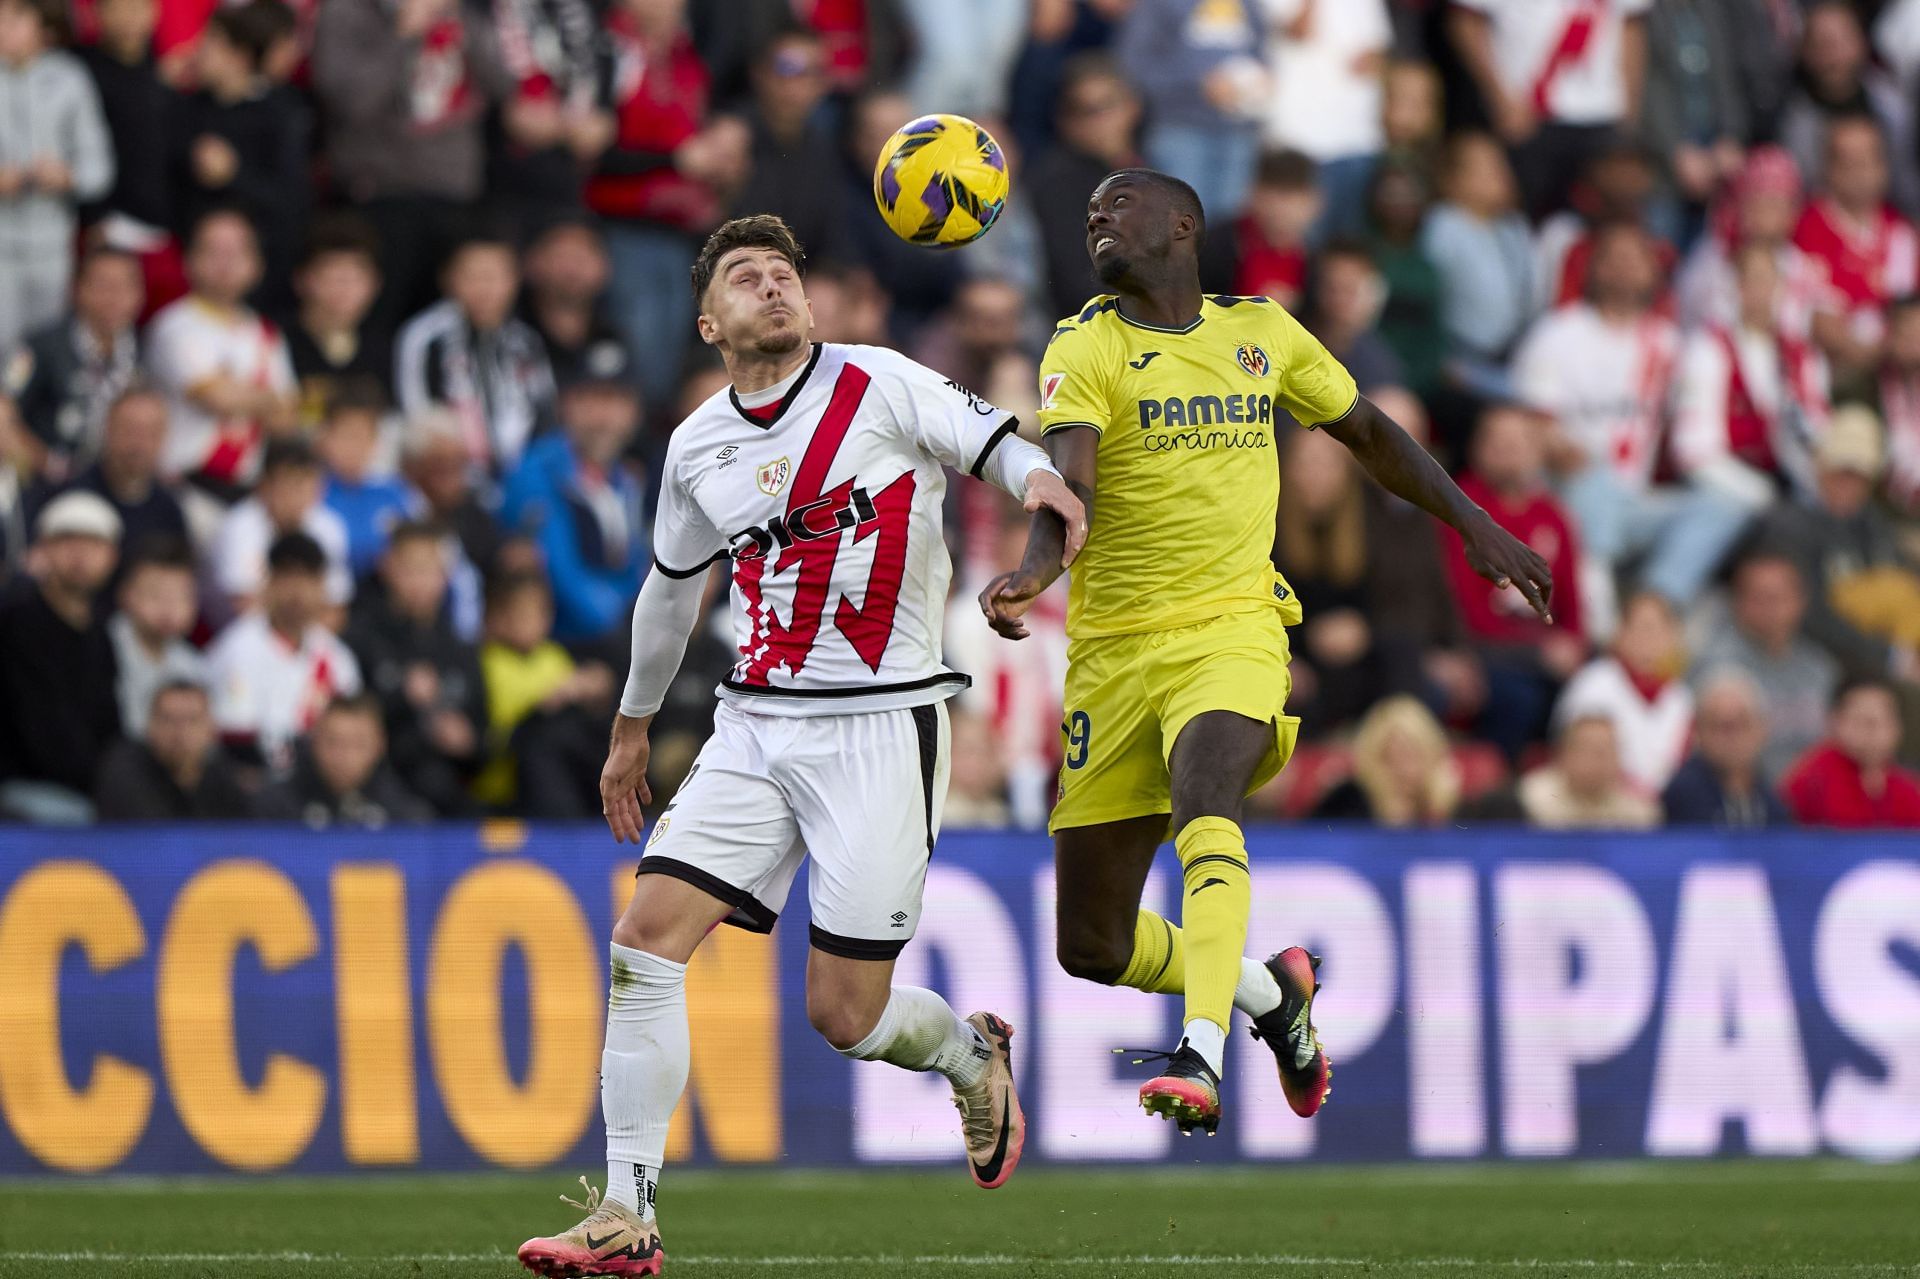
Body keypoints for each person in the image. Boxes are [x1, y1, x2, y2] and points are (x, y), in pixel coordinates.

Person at [515, 214, 1086, 1274]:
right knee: (644, 942)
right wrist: (631, 728)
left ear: (811, 302)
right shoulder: (696, 444)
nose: (773, 285)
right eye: (746, 276)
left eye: (785, 272)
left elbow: (995, 444)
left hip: (883, 721)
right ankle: (626, 1212)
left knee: (845, 1012)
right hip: (756, 722)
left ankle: (972, 1053)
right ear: (709, 320)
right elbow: (668, 594)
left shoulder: (879, 382)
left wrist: (1040, 487)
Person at [982, 167, 1551, 1138]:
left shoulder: (1263, 333)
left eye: (1119, 206)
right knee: (1091, 941)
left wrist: (1473, 521)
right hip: (1114, 654)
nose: (1098, 222)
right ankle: (1269, 993)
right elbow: (1065, 484)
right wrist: (1035, 573)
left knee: (1209, 793)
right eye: (1089, 215)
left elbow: (1368, 431)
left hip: (1233, 626)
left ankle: (1199, 1049)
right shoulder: (1086, 345)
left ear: (1183, 224)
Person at [1512, 221, 1746, 634]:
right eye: (1613, 258)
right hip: (1563, 495)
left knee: (1726, 505)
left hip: (1633, 503)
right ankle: (1596, 607)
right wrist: (1561, 446)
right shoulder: (1559, 333)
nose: (1624, 268)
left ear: (1654, 271)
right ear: (1594, 268)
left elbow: (1697, 422)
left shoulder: (1668, 343)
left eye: (1636, 259)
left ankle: (1652, 606)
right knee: (1592, 472)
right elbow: (1529, 423)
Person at [1440, 403, 1587, 761]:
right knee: (1519, 697)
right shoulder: (1457, 508)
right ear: (1477, 448)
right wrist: (1539, 653)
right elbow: (1466, 611)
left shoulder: (1553, 515)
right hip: (1485, 651)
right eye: (1498, 441)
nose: (1509, 451)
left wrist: (1574, 646)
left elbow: (1573, 607)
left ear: (1538, 451)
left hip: (1545, 650)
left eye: (1519, 441)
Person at [142, 208, 300, 502]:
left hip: (245, 489)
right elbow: (216, 400)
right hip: (180, 487)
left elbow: (288, 420)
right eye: (213, 251)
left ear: (257, 265)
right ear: (189, 260)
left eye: (237, 252)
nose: (225, 263)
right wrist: (266, 398)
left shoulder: (267, 333)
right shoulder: (174, 325)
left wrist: (237, 392)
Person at [1448, 0, 1652, 222]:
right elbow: (1465, 20)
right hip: (1527, 117)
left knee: (1610, 225)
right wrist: (1499, 98)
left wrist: (1629, 107)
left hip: (1603, 116)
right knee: (1518, 220)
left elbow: (1631, 25)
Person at [170, 0, 311, 316]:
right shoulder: (188, 108)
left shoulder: (281, 114)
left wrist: (233, 175)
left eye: (210, 45)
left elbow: (292, 200)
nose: (198, 52)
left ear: (240, 56)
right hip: (194, 275)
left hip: (265, 278)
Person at [1671, 241, 1831, 512]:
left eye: (1769, 279)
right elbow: (1694, 452)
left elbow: (1818, 433)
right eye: (1751, 278)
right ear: (1734, 286)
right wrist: (1764, 498)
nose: (1760, 289)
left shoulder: (1804, 356)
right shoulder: (1707, 349)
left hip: (1792, 491)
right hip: (1726, 497)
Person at [0, 0, 115, 355]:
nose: (4, 26)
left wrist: (67, 177)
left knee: (43, 352)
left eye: (16, 15)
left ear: (43, 24)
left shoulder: (69, 78)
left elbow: (100, 170)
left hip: (52, 244)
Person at [394, 227, 557, 476]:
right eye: (472, 276)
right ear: (447, 278)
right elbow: (416, 413)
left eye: (495, 276)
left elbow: (545, 411)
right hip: (450, 476)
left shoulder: (526, 342)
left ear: (514, 280)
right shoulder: (424, 337)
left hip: (520, 479)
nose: (485, 288)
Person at [346, 520, 483, 816]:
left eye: (429, 569)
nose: (419, 580)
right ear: (387, 567)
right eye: (410, 568)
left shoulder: (460, 648)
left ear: (445, 576)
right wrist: (401, 698)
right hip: (383, 785)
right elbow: (347, 716)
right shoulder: (361, 638)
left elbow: (482, 732)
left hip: (453, 788)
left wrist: (467, 741)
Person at [499, 373, 647, 645]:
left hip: (619, 637)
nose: (603, 418)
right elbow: (560, 575)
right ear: (565, 405)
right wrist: (631, 624)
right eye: (590, 399)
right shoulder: (536, 472)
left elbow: (634, 569)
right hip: (553, 646)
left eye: (615, 401)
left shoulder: (627, 481)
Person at [0, 490, 121, 822]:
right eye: (67, 541)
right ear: (43, 550)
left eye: (93, 544)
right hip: (24, 787)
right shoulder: (16, 622)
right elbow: (38, 731)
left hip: (87, 788)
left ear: (112, 556)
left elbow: (109, 724)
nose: (80, 555)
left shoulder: (102, 633)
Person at [205, 531, 363, 771]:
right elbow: (235, 742)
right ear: (267, 582)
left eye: (308, 578)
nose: (297, 591)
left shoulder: (338, 657)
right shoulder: (237, 649)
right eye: (287, 577)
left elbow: (352, 734)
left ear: (322, 586)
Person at [1692, 550, 1842, 784]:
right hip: (1750, 802)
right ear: (1737, 603)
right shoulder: (1716, 665)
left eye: (1777, 597)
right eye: (1758, 598)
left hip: (1815, 800)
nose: (1769, 608)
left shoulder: (1819, 666)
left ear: (1800, 601)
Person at [4, 246, 145, 483]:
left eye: (124, 286)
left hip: (114, 483)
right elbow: (3, 408)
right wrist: (44, 463)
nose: (114, 297)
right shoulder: (39, 346)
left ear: (140, 294)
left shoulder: (140, 348)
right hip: (46, 480)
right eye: (103, 285)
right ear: (77, 289)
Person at [1795, 115, 1919, 373]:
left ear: (1883, 166)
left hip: (1899, 372)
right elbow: (1820, 324)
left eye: (1868, 160)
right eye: (1848, 162)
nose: (1860, 172)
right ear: (1828, 168)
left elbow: (1909, 319)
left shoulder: (1902, 233)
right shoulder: (1805, 229)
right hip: (1829, 375)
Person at [1257, 0, 1390, 240]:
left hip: (1355, 138)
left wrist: (1369, 61)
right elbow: (1299, 31)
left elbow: (1378, 50)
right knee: (1301, 244)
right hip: (1296, 139)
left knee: (1347, 243)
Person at [1029, 54, 1142, 324]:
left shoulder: (1149, 171)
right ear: (1065, 121)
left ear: (1132, 107)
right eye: (1085, 111)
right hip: (1086, 327)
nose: (1098, 121)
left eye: (1107, 106)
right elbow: (1073, 282)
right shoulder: (1055, 180)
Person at [1421, 132, 1533, 399]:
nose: (1500, 174)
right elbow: (1430, 297)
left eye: (1500, 164)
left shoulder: (1514, 228)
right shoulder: (1443, 224)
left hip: (1511, 358)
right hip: (1459, 362)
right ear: (1451, 179)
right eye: (1485, 167)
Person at [1553, 590, 1695, 798]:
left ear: (1672, 637)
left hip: (1660, 809)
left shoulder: (1680, 697)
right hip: (1597, 799)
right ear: (1620, 632)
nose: (1648, 639)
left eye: (1657, 629)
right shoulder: (1594, 682)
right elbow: (1574, 754)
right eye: (1641, 628)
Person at [212, 437, 351, 616]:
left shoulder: (329, 527)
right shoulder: (240, 527)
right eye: (291, 484)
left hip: (298, 634)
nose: (299, 495)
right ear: (265, 485)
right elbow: (244, 607)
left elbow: (336, 609)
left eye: (307, 485)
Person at [58, 383, 189, 570]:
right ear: (107, 430)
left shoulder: (169, 512)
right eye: (129, 429)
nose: (139, 444)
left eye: (151, 432)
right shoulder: (72, 497)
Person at [254, 692, 431, 828]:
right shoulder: (275, 809)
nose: (344, 757)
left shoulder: (405, 817)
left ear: (379, 745)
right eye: (333, 742)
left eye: (357, 744)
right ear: (314, 741)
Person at [93, 679, 252, 821]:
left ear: (211, 730)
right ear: (150, 727)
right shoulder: (124, 772)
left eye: (191, 720)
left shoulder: (224, 778)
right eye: (168, 720)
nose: (179, 732)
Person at [286, 215, 390, 423]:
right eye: (331, 277)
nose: (344, 289)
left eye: (354, 278)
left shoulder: (382, 349)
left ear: (375, 285)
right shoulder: (276, 342)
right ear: (301, 280)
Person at [1781, 678, 1920, 827]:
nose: (1873, 733)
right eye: (1862, 721)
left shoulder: (1906, 787)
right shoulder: (1812, 778)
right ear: (1835, 721)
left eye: (1882, 722)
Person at [1662, 668, 1791, 827]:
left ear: (1762, 728)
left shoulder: (1774, 799)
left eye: (1741, 723)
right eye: (1719, 726)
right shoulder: (1682, 796)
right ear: (1698, 731)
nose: (1731, 737)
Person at [1308, 695, 1461, 826]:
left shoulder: (1457, 808)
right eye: (1391, 758)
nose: (1403, 768)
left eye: (1412, 755)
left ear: (1431, 755)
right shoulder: (1346, 801)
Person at [316, 379, 414, 580]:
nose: (353, 447)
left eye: (361, 436)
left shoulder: (395, 491)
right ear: (324, 437)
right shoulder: (311, 492)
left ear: (375, 441)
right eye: (345, 436)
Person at [108, 539, 205, 737]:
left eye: (180, 597)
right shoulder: (104, 647)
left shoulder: (191, 664)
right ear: (125, 594)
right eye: (156, 595)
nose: (169, 609)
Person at [1517, 712, 1662, 829]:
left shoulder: (1638, 811)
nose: (1596, 760)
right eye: (1586, 749)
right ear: (1564, 754)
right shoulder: (1529, 799)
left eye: (1605, 751)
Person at [1232, 149, 1319, 311]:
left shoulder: (1315, 264)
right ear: (1254, 193)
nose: (1281, 208)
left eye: (1292, 196)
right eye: (1275, 194)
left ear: (1314, 201)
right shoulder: (1217, 246)